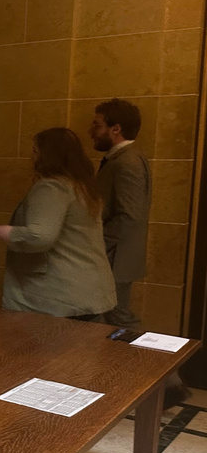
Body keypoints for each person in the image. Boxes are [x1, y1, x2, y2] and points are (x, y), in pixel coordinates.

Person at [0, 127, 116, 319]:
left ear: (49, 155)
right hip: (89, 289)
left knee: (43, 348)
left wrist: (3, 232)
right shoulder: (84, 188)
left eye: (36, 151)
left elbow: (41, 236)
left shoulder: (52, 187)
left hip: (59, 294)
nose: (32, 157)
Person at [89, 98, 151, 329]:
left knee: (119, 316)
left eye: (97, 125)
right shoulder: (122, 160)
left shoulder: (127, 162)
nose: (91, 131)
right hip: (115, 256)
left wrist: (98, 244)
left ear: (116, 129)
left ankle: (141, 362)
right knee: (115, 316)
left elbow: (129, 216)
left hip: (116, 258)